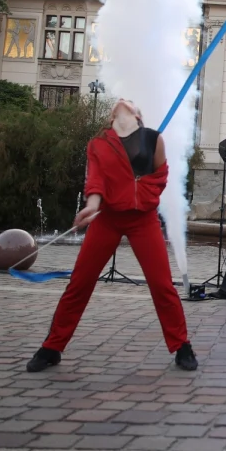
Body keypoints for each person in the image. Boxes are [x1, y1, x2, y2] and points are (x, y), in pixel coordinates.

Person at [26, 99, 197, 373]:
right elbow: (96, 180)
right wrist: (93, 206)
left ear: (138, 115)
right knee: (79, 283)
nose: (124, 103)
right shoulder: (99, 144)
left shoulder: (154, 139)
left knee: (162, 285)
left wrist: (139, 190)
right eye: (120, 104)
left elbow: (161, 176)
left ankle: (182, 346)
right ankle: (52, 347)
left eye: (130, 104)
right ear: (111, 117)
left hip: (143, 220)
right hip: (108, 219)